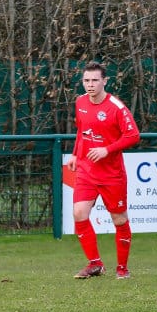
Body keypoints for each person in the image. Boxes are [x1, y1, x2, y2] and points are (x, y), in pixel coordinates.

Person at [65, 61, 140, 280]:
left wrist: (107, 150)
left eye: (95, 80)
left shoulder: (116, 107)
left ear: (104, 81)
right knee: (79, 213)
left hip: (111, 174)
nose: (90, 85)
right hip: (86, 171)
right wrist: (75, 154)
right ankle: (95, 264)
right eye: (86, 80)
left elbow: (133, 135)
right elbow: (82, 131)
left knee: (119, 220)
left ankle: (122, 269)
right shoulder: (80, 102)